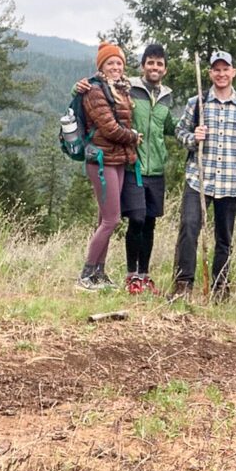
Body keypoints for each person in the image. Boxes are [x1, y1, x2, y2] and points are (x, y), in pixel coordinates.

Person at [78, 44, 176, 295]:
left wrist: (194, 127)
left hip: (130, 161)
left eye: (159, 63)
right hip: (123, 162)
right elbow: (109, 125)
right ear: (142, 65)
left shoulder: (159, 94)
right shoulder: (121, 87)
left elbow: (169, 126)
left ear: (164, 68)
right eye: (150, 63)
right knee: (128, 219)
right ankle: (100, 274)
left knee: (131, 220)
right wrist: (132, 137)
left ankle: (123, 274)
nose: (155, 67)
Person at [172, 50, 236, 301]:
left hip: (231, 183)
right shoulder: (197, 103)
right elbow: (180, 131)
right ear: (210, 73)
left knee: (225, 237)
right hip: (199, 179)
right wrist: (193, 138)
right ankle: (183, 283)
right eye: (216, 69)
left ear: (233, 72)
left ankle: (220, 287)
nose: (221, 74)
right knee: (189, 228)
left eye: (226, 69)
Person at [77, 42, 142, 291]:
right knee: (112, 220)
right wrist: (134, 137)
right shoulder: (95, 90)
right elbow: (109, 129)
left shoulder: (121, 89)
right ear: (101, 66)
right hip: (102, 160)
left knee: (105, 218)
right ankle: (86, 274)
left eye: (119, 63)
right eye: (110, 63)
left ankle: (99, 273)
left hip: (117, 160)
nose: (115, 67)